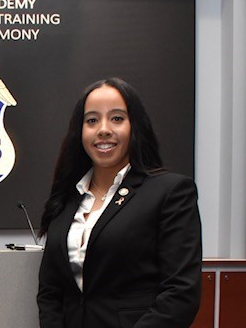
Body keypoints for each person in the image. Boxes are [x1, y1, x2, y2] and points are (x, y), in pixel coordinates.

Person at [37, 77, 202, 328]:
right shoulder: (66, 198)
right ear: (80, 131)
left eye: (117, 118)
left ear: (135, 126)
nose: (103, 129)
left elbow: (180, 294)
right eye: (92, 120)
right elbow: (51, 292)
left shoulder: (170, 192)